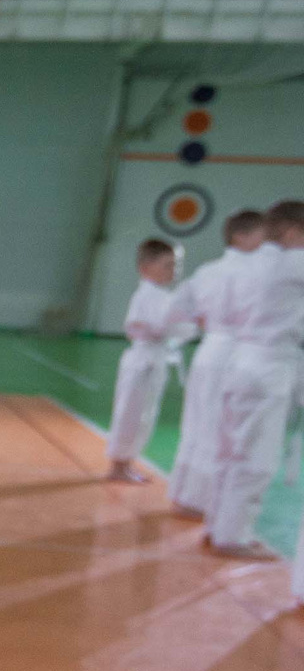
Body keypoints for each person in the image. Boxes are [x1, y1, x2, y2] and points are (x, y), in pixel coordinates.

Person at [200, 198, 304, 561]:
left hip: (239, 360)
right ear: (293, 232)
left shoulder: (253, 261)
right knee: (255, 457)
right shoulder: (293, 261)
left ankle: (216, 527)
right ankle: (233, 537)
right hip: (268, 367)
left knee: (229, 451)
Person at [168, 210, 270, 519]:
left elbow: (179, 310)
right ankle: (203, 500)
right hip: (235, 351)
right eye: (260, 235)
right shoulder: (258, 271)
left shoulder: (207, 270)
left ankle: (184, 494)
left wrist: (204, 324)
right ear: (240, 236)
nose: (266, 242)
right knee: (220, 426)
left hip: (209, 348)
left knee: (197, 421)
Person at [104, 238, 195, 484]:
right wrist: (175, 326)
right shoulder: (146, 295)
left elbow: (174, 328)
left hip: (155, 358)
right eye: (167, 265)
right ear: (145, 268)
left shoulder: (163, 296)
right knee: (131, 413)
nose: (173, 270)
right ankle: (119, 464)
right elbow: (138, 326)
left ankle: (126, 461)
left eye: (175, 265)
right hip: (142, 360)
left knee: (145, 414)